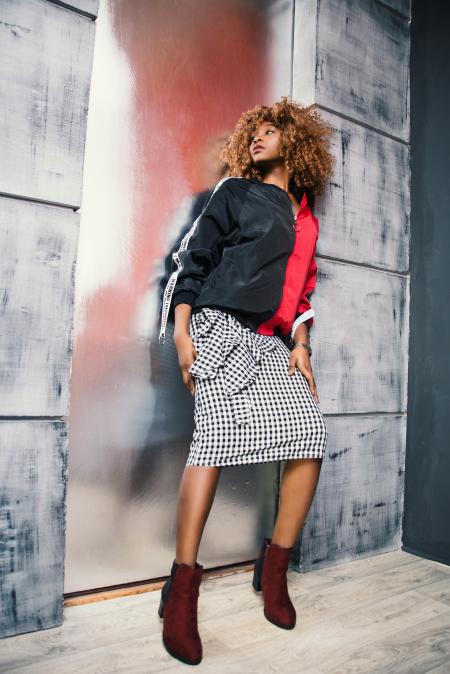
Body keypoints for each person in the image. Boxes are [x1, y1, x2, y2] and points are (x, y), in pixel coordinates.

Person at [157, 96, 335, 665]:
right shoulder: (234, 191)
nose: (258, 137)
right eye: (252, 131)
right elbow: (194, 259)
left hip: (269, 344)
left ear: (293, 138)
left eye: (270, 129)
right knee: (210, 444)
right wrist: (183, 333)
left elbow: (302, 294)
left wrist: (302, 347)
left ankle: (274, 569)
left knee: (309, 437)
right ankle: (181, 587)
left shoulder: (305, 218)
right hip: (216, 326)